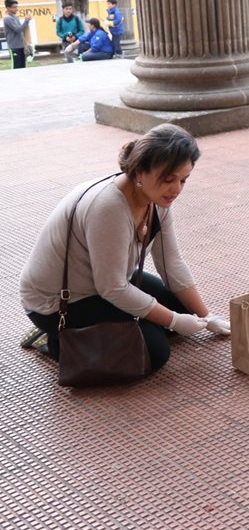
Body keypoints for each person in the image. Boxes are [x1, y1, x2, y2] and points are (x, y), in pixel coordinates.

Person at [17, 125, 229, 377]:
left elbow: (172, 265)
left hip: (101, 284)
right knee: (153, 350)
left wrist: (207, 317)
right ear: (140, 172)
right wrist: (173, 321)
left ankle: (99, 332)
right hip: (58, 303)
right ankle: (56, 340)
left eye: (184, 180)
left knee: (182, 309)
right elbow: (113, 287)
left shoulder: (157, 199)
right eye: (169, 179)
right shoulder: (109, 207)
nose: (177, 189)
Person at [4, 0, 32, 70]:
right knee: (17, 67)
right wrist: (26, 21)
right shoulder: (7, 18)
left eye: (17, 7)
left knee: (23, 67)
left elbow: (21, 30)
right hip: (14, 47)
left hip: (21, 46)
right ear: (8, 8)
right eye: (14, 7)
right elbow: (18, 30)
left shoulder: (15, 17)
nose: (16, 9)